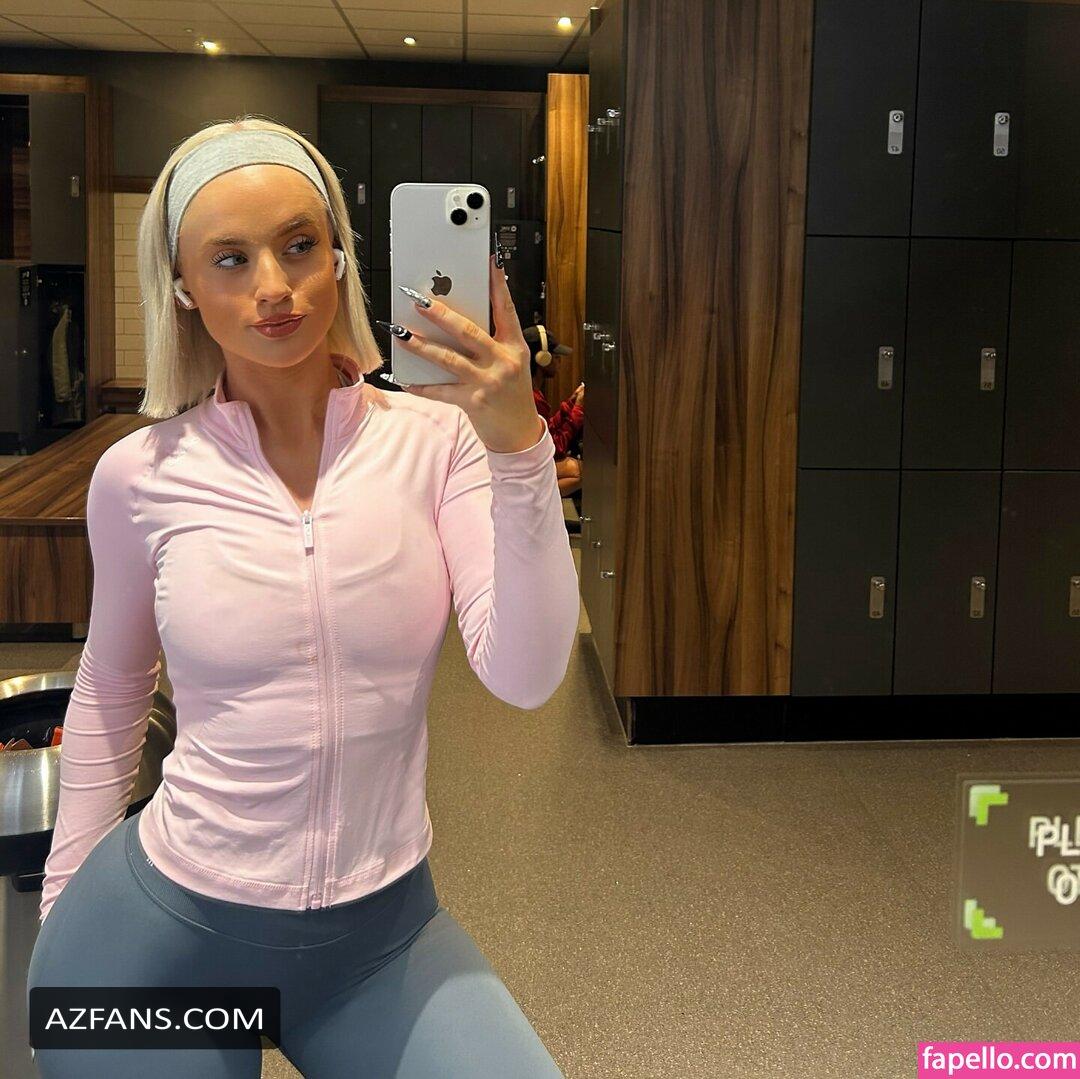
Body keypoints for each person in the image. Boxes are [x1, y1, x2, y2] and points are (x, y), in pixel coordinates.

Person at [25, 115, 578, 1077]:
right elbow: (111, 689)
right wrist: (63, 905)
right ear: (184, 288)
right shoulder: (142, 475)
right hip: (162, 941)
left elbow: (526, 677)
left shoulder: (438, 444)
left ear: (339, 258)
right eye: (230, 259)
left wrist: (519, 446)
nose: (274, 286)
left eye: (298, 246)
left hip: (378, 944)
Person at [524, 324, 583, 500]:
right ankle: (538, 502)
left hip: (528, 462)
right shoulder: (532, 399)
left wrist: (571, 404)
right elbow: (555, 447)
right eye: (556, 357)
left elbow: (547, 430)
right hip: (529, 467)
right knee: (579, 471)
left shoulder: (528, 390)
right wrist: (578, 410)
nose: (559, 362)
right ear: (542, 359)